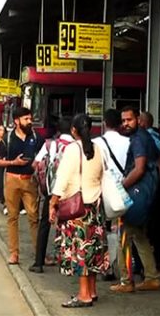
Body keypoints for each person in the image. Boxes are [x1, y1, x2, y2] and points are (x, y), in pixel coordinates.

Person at [49, 113, 109, 308]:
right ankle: (92, 290)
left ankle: (83, 295)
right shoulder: (98, 149)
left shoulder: (73, 149)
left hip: (77, 210)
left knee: (80, 251)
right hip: (94, 207)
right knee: (92, 249)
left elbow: (63, 178)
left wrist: (53, 202)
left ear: (73, 130)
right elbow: (102, 175)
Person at [110, 105, 160, 293]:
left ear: (138, 120)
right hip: (146, 195)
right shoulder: (147, 137)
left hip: (135, 194)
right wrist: (154, 185)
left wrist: (122, 186)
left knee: (123, 234)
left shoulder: (138, 140)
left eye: (129, 120)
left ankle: (126, 281)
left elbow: (139, 168)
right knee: (140, 236)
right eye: (123, 121)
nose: (126, 124)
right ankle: (152, 276)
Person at [0, 107, 44, 265]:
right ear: (17, 121)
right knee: (12, 217)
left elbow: (45, 155)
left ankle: (39, 253)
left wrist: (39, 164)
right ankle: (14, 253)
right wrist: (13, 162)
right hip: (12, 179)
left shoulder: (36, 137)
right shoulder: (8, 138)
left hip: (30, 180)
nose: (30, 122)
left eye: (30, 118)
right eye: (26, 119)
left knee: (33, 217)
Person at [29, 118, 73, 274]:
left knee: (45, 224)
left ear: (58, 131)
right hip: (71, 193)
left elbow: (35, 163)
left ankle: (38, 262)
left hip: (52, 191)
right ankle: (68, 261)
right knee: (70, 225)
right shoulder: (77, 146)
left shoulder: (50, 144)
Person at [93, 109, 131, 280]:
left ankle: (106, 266)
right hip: (124, 191)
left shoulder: (96, 143)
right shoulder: (129, 142)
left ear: (105, 123)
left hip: (103, 192)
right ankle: (123, 270)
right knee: (122, 230)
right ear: (120, 124)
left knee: (103, 230)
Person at [137, 111, 160, 272]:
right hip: (157, 185)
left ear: (142, 123)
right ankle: (158, 260)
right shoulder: (159, 137)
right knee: (159, 225)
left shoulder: (146, 139)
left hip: (149, 186)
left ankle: (145, 267)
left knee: (146, 226)